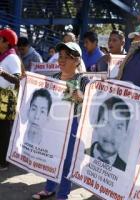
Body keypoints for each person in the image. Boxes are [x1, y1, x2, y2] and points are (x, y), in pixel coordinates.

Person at [32, 42, 89, 200]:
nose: (61, 61)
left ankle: (62, 195)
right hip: (53, 124)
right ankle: (49, 188)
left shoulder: (84, 81)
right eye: (60, 57)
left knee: (66, 162)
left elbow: (91, 105)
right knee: (52, 155)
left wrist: (82, 98)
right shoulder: (55, 77)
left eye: (67, 57)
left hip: (73, 126)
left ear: (77, 61)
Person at [85, 96, 131, 171]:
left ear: (126, 135)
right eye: (106, 123)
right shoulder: (79, 154)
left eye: (119, 127)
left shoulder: (126, 170)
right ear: (96, 125)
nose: (111, 133)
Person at [0, 28, 22, 171]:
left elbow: (17, 80)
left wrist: (2, 73)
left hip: (6, 98)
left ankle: (3, 162)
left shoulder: (12, 58)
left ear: (7, 43)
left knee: (4, 131)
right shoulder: (3, 56)